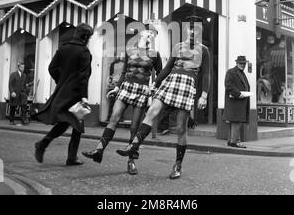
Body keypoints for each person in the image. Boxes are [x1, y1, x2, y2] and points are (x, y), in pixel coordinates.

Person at [116, 16, 210, 180]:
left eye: (197, 29)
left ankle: (177, 165)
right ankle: (134, 146)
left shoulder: (204, 50)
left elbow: (207, 73)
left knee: (181, 128)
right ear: (186, 29)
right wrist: (155, 83)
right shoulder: (178, 46)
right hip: (171, 81)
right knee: (152, 110)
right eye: (191, 28)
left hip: (188, 85)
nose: (193, 31)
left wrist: (204, 95)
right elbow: (166, 69)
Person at [82, 24, 162, 175]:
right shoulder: (130, 51)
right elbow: (124, 71)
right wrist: (117, 87)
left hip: (142, 91)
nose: (150, 36)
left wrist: (155, 86)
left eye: (153, 35)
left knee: (134, 126)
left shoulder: (155, 55)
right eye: (147, 33)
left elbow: (159, 73)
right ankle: (99, 150)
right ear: (141, 35)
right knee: (114, 117)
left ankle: (131, 161)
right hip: (126, 88)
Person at [34, 23, 93, 166]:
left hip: (63, 92)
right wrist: (84, 96)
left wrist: (61, 81)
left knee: (69, 123)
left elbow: (52, 68)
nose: (89, 40)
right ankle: (48, 146)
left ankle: (53, 148)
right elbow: (83, 76)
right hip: (76, 94)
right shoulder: (84, 52)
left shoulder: (63, 48)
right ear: (85, 37)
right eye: (89, 37)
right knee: (74, 124)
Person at [223, 56, 251, 149]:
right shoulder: (231, 72)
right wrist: (238, 94)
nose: (243, 65)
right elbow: (228, 85)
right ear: (237, 63)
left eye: (244, 63)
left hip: (238, 101)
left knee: (235, 121)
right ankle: (235, 141)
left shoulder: (241, 73)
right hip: (235, 101)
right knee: (235, 121)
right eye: (241, 63)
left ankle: (232, 141)